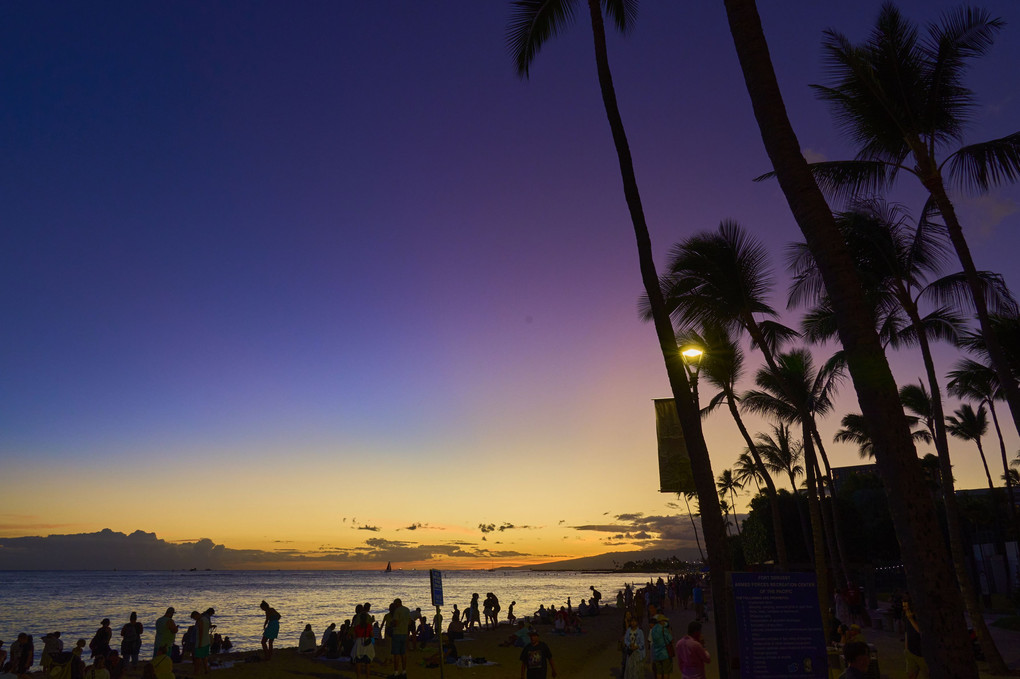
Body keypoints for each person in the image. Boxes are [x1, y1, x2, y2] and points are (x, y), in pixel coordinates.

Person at [903, 597, 928, 679]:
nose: (906, 609)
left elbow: (921, 632)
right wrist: (906, 647)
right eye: (904, 607)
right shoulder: (906, 616)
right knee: (911, 675)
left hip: (922, 654)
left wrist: (911, 619)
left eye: (907, 607)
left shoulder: (919, 617)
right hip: (910, 651)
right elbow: (907, 631)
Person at [388, 597, 411, 678]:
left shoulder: (397, 611)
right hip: (404, 633)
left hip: (397, 633)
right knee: (403, 654)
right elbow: (409, 621)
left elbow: (396, 622)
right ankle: (404, 671)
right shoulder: (407, 610)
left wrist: (391, 624)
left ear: (397, 603)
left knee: (396, 654)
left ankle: (396, 672)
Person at [351, 605, 375, 679]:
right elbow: (372, 635)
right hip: (367, 643)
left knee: (358, 663)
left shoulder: (357, 627)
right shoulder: (369, 626)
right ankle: (368, 677)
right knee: (367, 663)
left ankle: (359, 677)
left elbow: (354, 636)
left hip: (358, 643)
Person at [649, 614, 673, 679]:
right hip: (665, 654)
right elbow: (670, 639)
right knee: (666, 672)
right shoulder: (663, 629)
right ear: (661, 621)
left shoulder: (653, 629)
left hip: (656, 654)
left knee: (658, 672)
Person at [622, 615, 645, 679]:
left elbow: (642, 643)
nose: (633, 623)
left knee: (637, 669)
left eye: (634, 621)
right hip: (630, 653)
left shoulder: (640, 632)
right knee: (629, 668)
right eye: (632, 621)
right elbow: (626, 640)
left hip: (637, 653)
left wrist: (636, 646)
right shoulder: (628, 631)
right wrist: (629, 645)